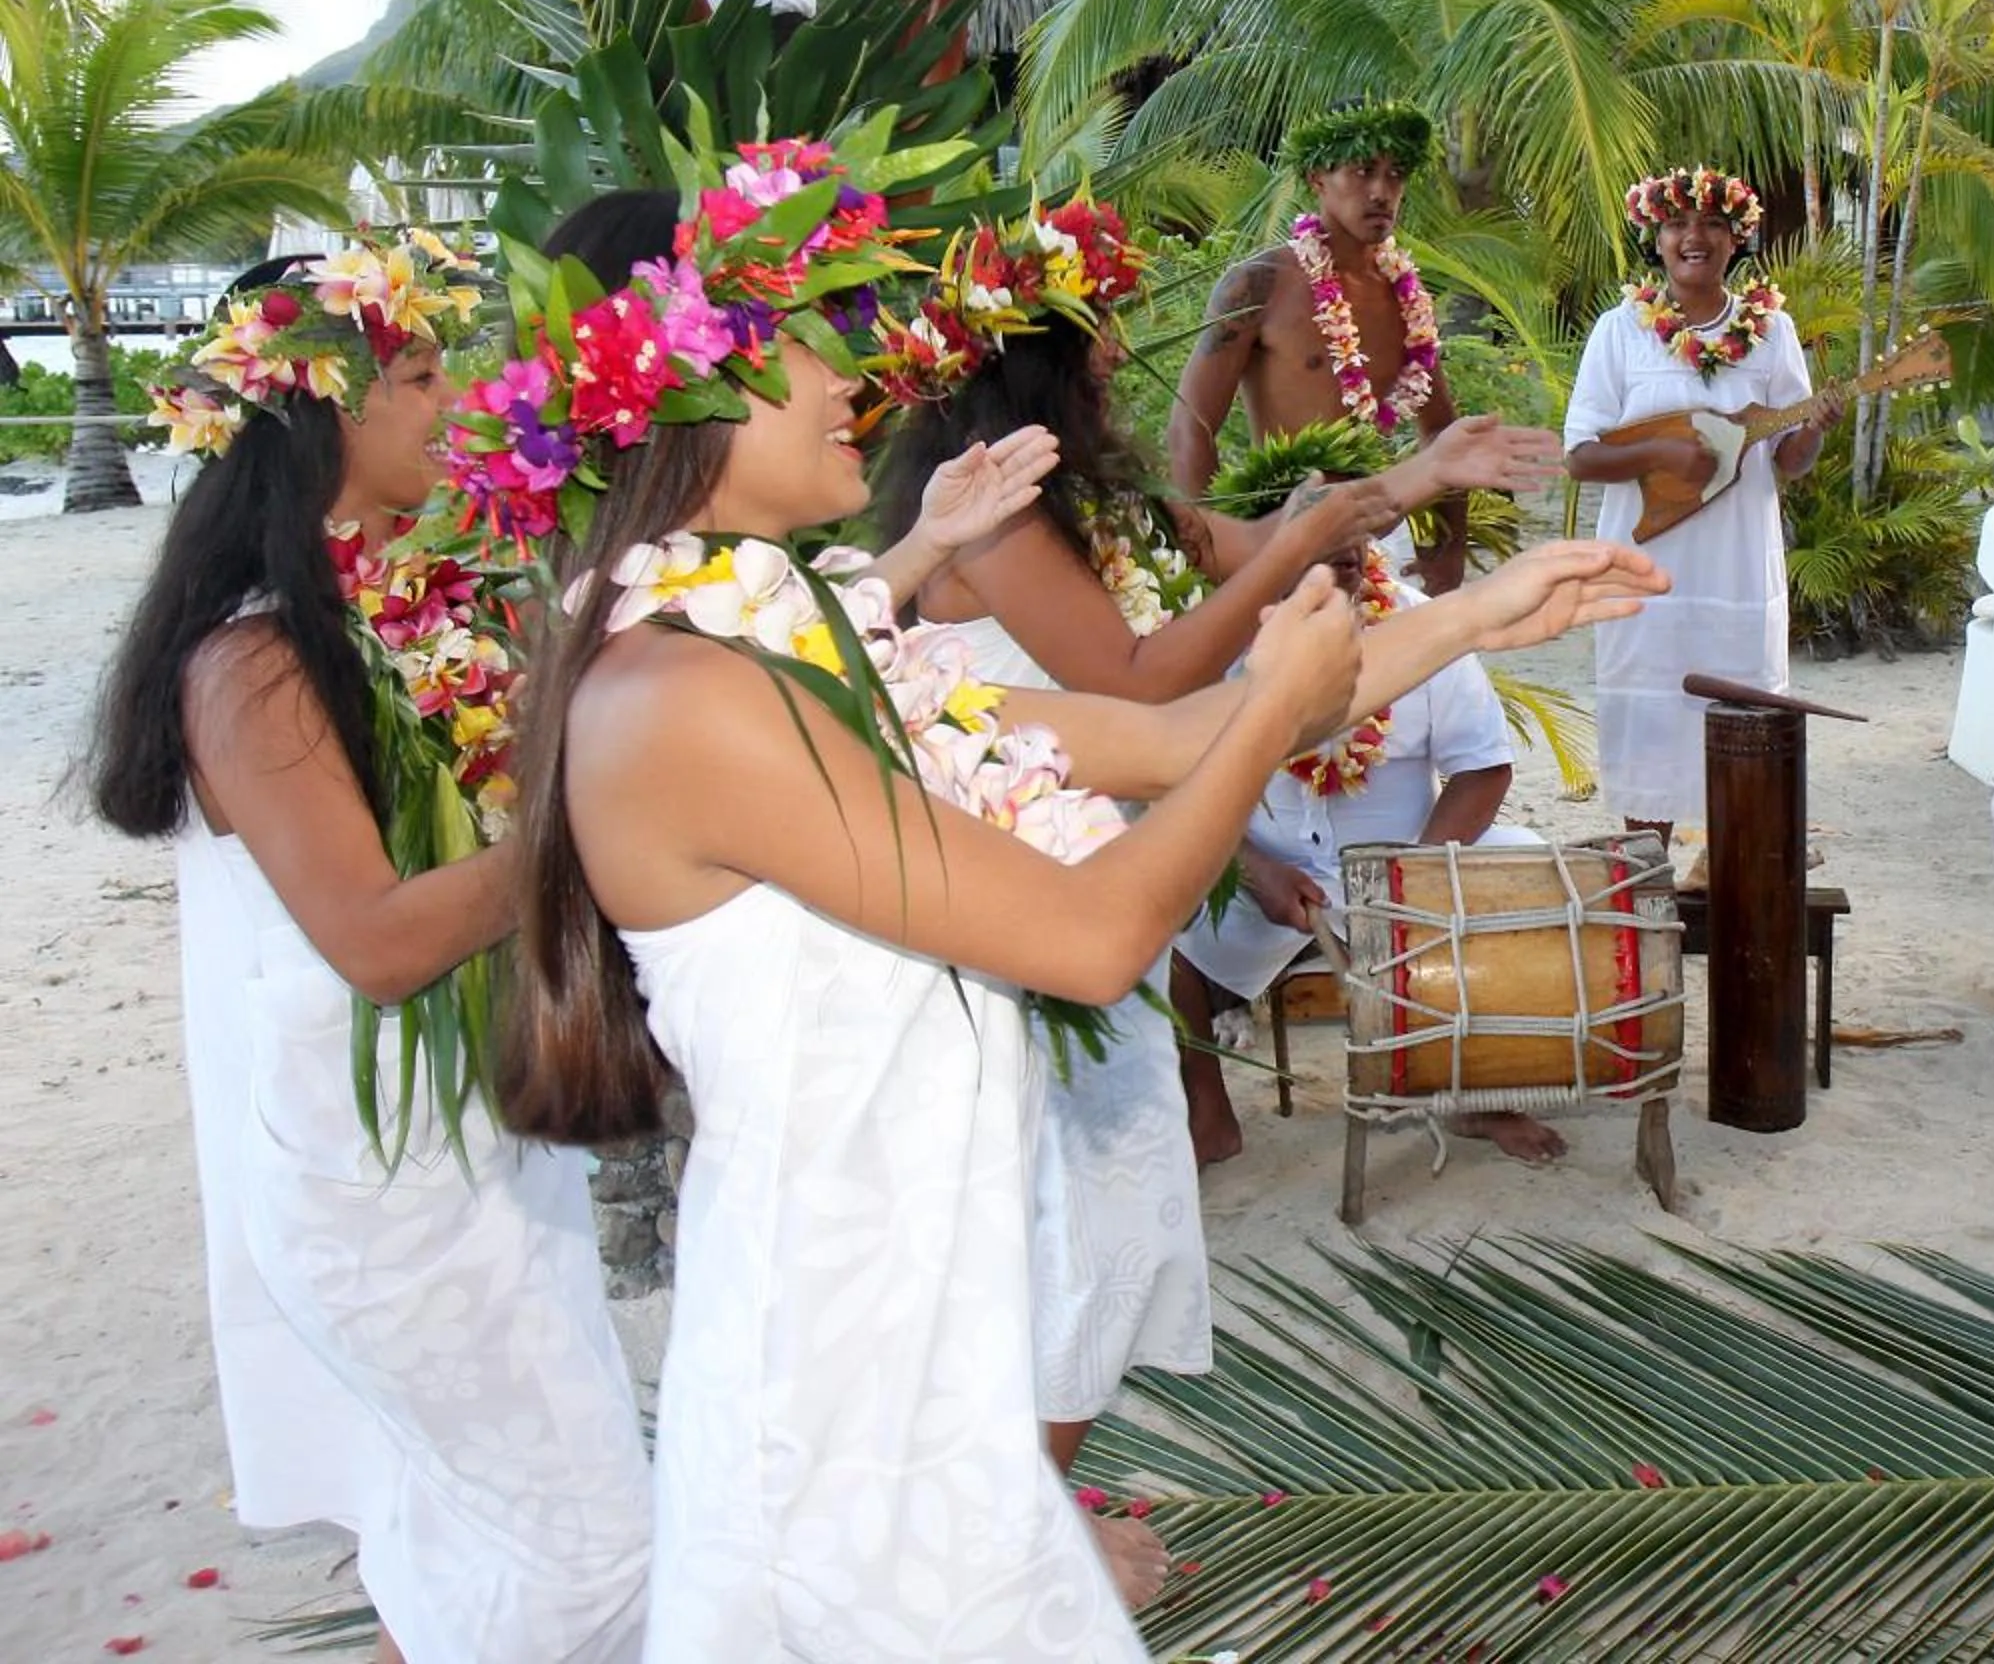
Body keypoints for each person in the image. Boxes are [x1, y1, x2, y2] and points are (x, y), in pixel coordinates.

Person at [469, 144, 1665, 1658]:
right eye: (806, 338)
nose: (856, 373)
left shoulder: (785, 648)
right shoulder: (684, 694)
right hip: (836, 1393)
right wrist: (1274, 697)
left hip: (929, 1342)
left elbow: (1166, 741)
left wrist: (1484, 613)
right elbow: (1096, 936)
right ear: (679, 390)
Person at [861, 208, 1560, 1586]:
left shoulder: (1091, 506)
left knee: (1098, 1206)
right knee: (1076, 1205)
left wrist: (1415, 478)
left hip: (1090, 878)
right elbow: (1139, 681)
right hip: (1010, 902)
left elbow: (1249, 542)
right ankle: (1009, 1524)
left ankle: (1019, 1505)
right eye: (1099, 332)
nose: (1119, 354)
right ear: (1040, 357)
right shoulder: (995, 517)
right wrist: (1293, 572)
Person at [87, 241, 652, 1663]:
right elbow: (381, 943)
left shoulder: (407, 607)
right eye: (415, 373)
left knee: (472, 1537)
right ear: (317, 409)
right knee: (587, 1553)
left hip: (475, 1139)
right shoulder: (257, 662)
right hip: (383, 1177)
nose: (451, 400)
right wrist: (604, 810)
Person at [1174, 423, 1563, 1164]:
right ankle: (1208, 1113)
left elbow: (1483, 769)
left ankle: (1482, 1096)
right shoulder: (1219, 639)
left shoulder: (1418, 622)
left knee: (1529, 869)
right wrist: (1254, 869)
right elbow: (1176, 785)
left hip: (1411, 867)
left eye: (1356, 527)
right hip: (1270, 878)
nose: (1349, 547)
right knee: (1162, 921)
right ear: (1268, 544)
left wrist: (1411, 877)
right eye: (1321, 528)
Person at [1561, 166, 1832, 859]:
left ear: (1737, 239)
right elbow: (1581, 455)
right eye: (1678, 224)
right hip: (1645, 571)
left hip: (1735, 570)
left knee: (1742, 718)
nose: (1695, 238)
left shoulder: (1772, 332)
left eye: (1713, 224)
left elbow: (1789, 461)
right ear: (1655, 239)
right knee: (1648, 720)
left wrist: (1814, 427)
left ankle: (1731, 879)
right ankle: (1647, 879)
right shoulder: (1620, 332)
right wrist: (1661, 453)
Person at [1171, 101, 1473, 594]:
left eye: (1396, 174)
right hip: (1280, 534)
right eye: (1363, 171)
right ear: (1317, 177)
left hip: (1372, 542)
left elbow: (1440, 431)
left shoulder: (1407, 299)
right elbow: (1190, 428)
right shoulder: (1260, 284)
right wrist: (1212, 555)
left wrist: (1448, 548)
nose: (1381, 192)